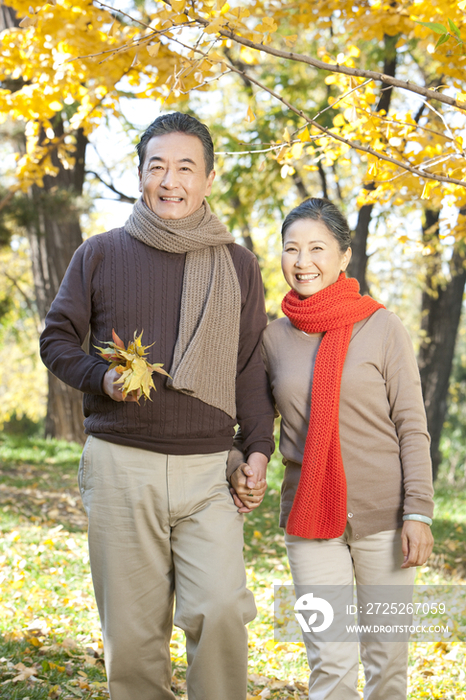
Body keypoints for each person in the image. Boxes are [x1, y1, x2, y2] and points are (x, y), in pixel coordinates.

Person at [40, 112, 275, 700]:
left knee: (221, 609)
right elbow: (57, 340)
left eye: (185, 167)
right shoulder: (99, 254)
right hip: (122, 465)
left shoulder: (239, 265)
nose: (170, 180)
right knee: (134, 638)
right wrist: (103, 379)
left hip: (207, 471)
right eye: (157, 166)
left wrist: (259, 449)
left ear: (209, 177)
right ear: (141, 174)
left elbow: (249, 367)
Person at [231, 197, 434, 700]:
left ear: (344, 256)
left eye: (317, 248)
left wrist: (420, 512)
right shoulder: (272, 339)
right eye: (292, 249)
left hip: (385, 521)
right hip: (309, 520)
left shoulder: (383, 327)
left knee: (387, 664)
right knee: (331, 664)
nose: (303, 262)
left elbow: (412, 425)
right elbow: (253, 424)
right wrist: (241, 462)